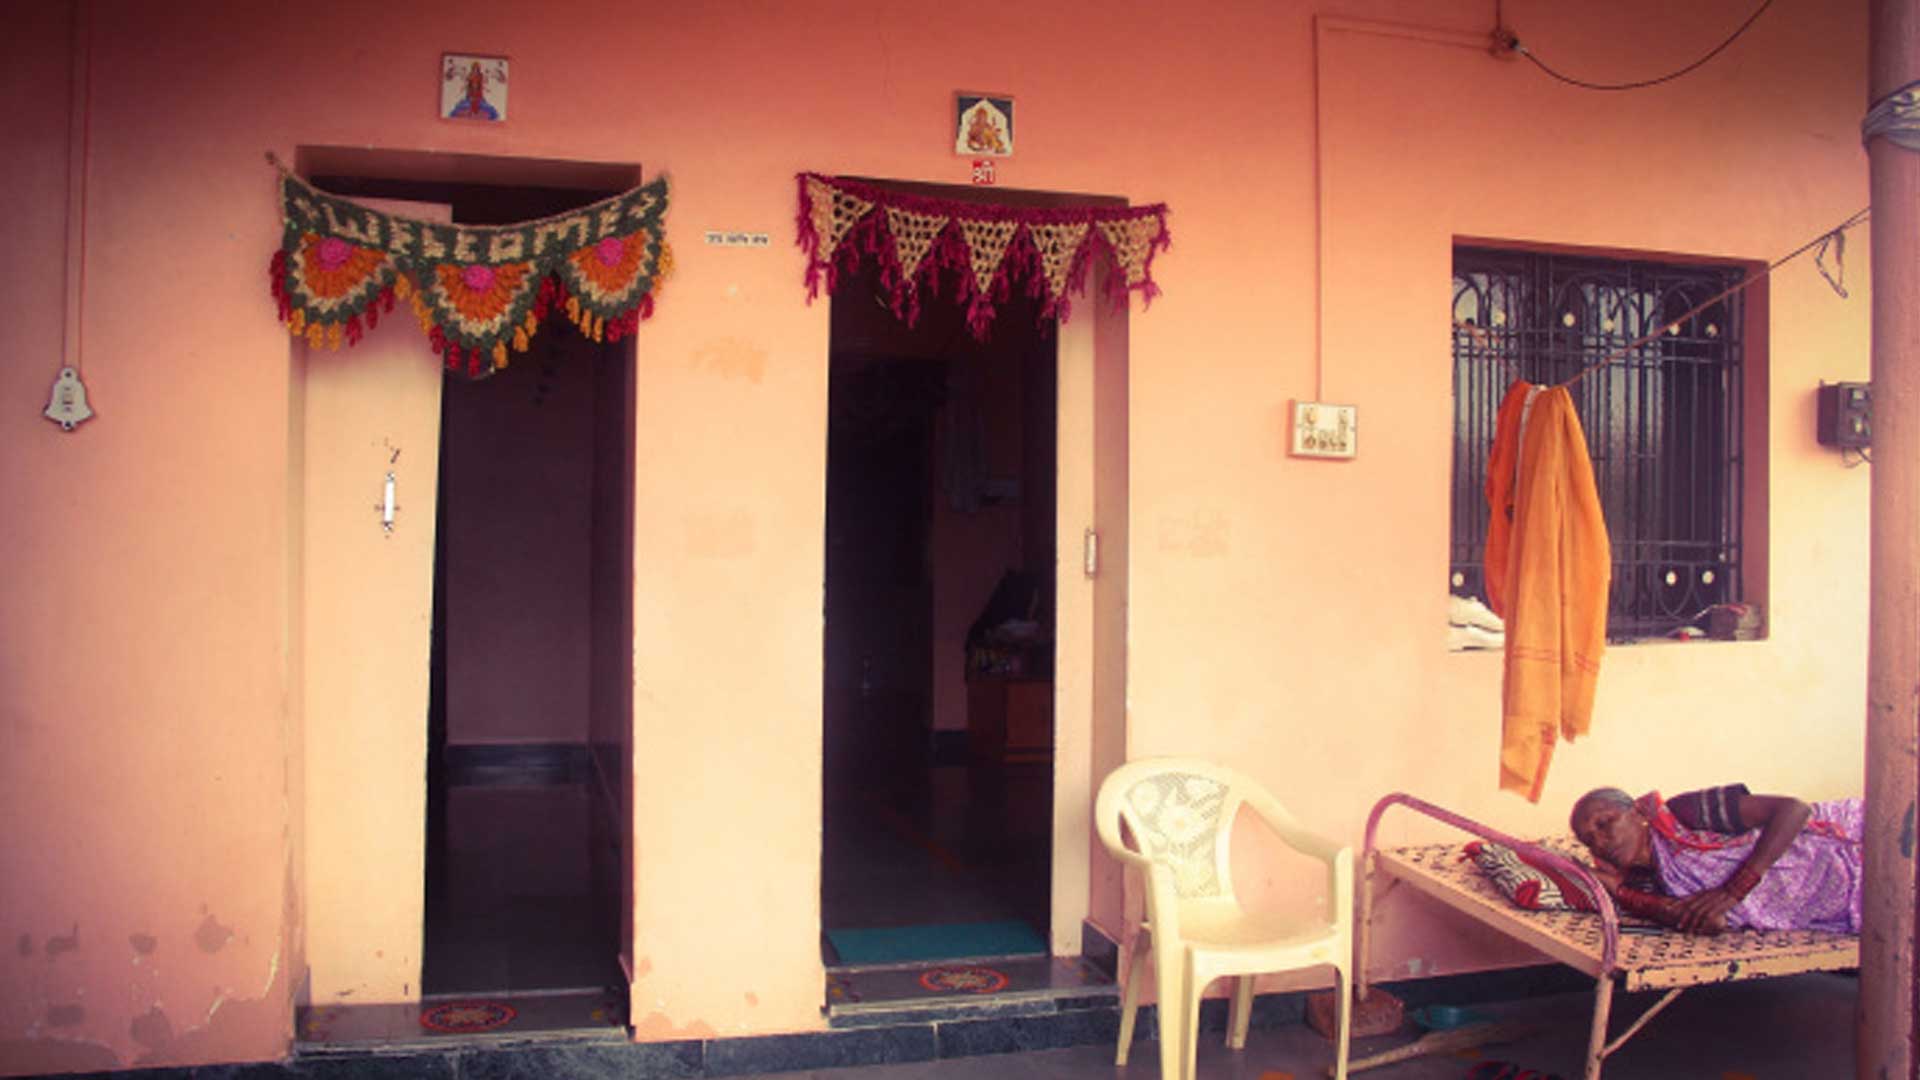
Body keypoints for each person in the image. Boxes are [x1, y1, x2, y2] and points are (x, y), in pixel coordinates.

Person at [1569, 783, 1863, 935]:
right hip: (1834, 900)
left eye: (1604, 823)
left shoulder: (1683, 813)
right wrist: (1615, 888)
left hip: (1851, 849)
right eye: (1589, 840)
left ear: (1637, 812)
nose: (1600, 842)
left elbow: (1794, 810)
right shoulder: (1643, 883)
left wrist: (1733, 890)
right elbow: (1712, 922)